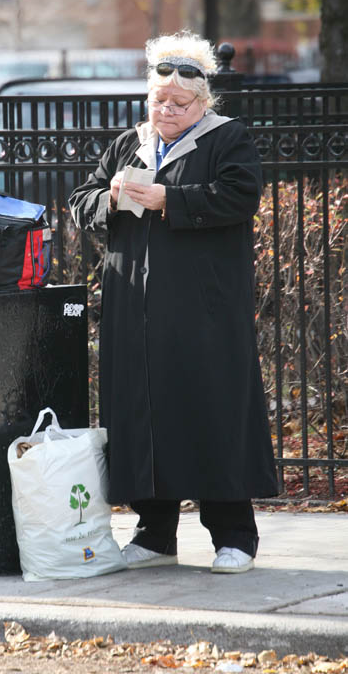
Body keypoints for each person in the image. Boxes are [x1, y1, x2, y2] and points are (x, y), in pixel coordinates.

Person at [68, 30, 278, 574]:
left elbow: (240, 196)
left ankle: (235, 535)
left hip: (202, 312)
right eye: (157, 100)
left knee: (210, 411)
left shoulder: (227, 139)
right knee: (143, 414)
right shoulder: (129, 142)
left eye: (177, 103)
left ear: (201, 101)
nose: (165, 109)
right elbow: (80, 201)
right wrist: (110, 196)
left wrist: (170, 199)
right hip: (132, 309)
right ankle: (155, 530)